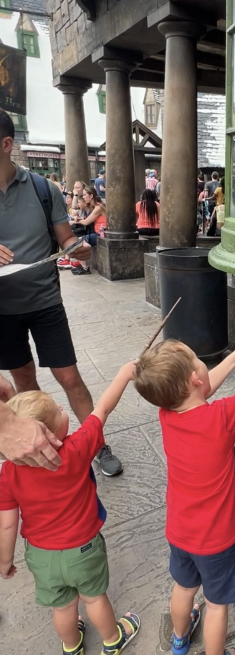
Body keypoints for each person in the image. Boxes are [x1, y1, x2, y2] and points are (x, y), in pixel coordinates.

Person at [133, 338, 235, 655]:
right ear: (194, 378)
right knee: (215, 605)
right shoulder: (220, 417)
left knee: (183, 586)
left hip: (180, 530)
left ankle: (179, 638)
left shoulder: (167, 413)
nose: (201, 361)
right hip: (216, 539)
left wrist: (233, 358)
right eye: (197, 358)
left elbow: (199, 389)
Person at [0, 109, 123, 477]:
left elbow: (65, 238)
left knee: (69, 377)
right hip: (2, 309)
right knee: (22, 378)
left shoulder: (43, 188)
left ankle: (96, 444)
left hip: (45, 302)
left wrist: (77, 248)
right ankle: (41, 439)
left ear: (6, 145)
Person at [0, 362, 141, 655]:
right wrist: (123, 374)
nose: (64, 409)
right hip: (84, 549)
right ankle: (111, 639)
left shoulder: (9, 471)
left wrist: (5, 560)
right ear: (46, 435)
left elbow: (8, 521)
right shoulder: (77, 450)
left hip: (41, 556)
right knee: (93, 598)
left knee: (63, 607)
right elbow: (101, 409)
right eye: (59, 410)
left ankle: (72, 649)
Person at [70, 186, 106, 276]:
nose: (84, 197)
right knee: (76, 240)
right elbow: (75, 208)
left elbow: (86, 222)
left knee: (78, 241)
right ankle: (82, 265)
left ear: (91, 196)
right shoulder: (94, 207)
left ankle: (84, 268)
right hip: (98, 232)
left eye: (85, 195)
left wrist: (74, 221)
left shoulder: (99, 207)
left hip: (101, 234)